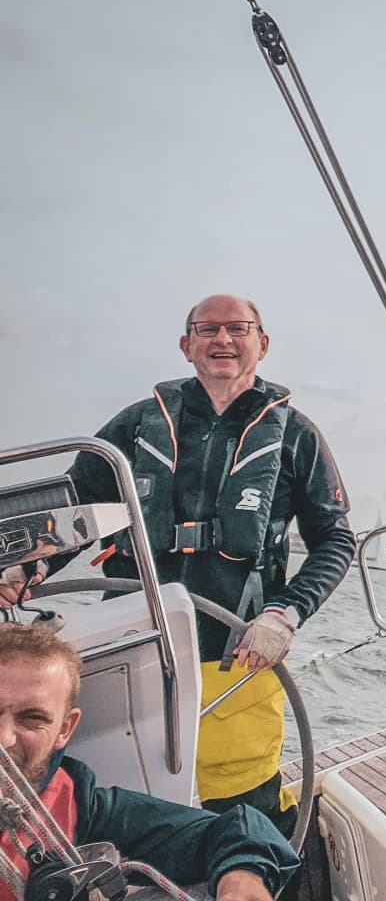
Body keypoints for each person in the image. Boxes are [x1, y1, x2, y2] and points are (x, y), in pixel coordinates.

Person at [1, 295, 356, 835]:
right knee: (119, 801)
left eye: (238, 328)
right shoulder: (137, 424)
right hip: (131, 645)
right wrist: (29, 571)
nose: (222, 340)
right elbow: (78, 516)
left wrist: (285, 614)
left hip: (240, 656)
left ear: (262, 343)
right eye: (206, 329)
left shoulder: (296, 435)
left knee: (242, 812)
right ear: (186, 345)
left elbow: (335, 540)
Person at [0, 622, 299, 901]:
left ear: (64, 729)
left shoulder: (80, 807)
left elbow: (229, 831)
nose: (5, 739)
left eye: (33, 719)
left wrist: (241, 879)